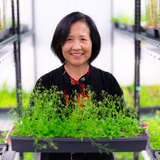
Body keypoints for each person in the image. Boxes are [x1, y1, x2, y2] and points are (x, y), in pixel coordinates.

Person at [6, 11, 149, 160]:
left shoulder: (107, 81)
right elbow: (32, 120)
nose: (76, 46)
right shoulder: (46, 82)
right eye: (69, 39)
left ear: (93, 42)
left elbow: (122, 119)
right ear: (59, 43)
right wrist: (19, 130)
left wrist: (137, 129)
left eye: (83, 39)